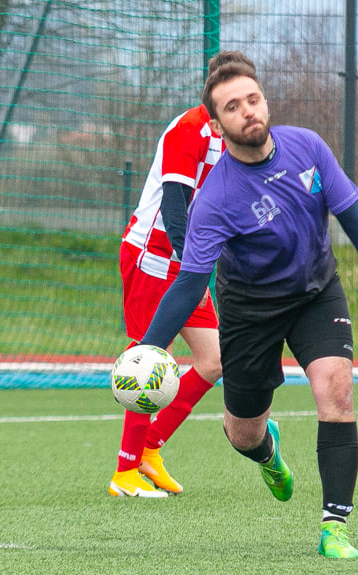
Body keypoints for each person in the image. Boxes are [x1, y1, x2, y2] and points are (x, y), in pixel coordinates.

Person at [138, 54, 358, 558]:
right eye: (232, 107)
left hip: (315, 294)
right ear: (219, 125)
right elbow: (189, 284)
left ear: (264, 101)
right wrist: (148, 350)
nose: (247, 110)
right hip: (249, 312)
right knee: (242, 431)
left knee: (337, 391)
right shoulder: (215, 199)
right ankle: (268, 453)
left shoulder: (307, 147)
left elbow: (354, 218)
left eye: (252, 99)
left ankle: (335, 527)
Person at [109, 52, 257, 499]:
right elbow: (175, 210)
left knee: (215, 360)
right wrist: (193, 264)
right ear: (214, 102)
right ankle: (125, 471)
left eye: (250, 95)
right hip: (152, 259)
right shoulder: (188, 130)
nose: (245, 107)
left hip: (185, 267)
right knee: (148, 358)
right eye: (232, 98)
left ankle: (151, 448)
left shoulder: (238, 141)